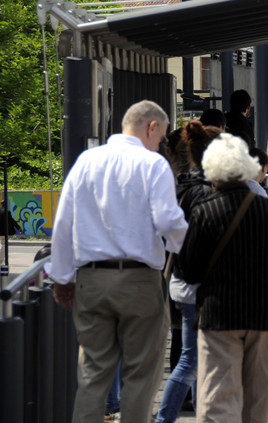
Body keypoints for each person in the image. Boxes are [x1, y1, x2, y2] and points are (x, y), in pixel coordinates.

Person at [47, 100, 188, 423]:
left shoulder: (87, 161)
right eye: (162, 136)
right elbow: (168, 221)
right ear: (151, 127)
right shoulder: (153, 165)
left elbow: (65, 222)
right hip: (139, 282)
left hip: (91, 280)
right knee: (141, 374)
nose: (161, 144)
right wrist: (185, 245)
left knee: (93, 373)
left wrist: (63, 277)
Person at [176, 133, 268, 422]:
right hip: (265, 314)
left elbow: (188, 270)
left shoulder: (204, 211)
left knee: (217, 395)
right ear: (246, 167)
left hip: (220, 314)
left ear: (212, 171)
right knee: (258, 397)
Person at [155, 121, 220, 423]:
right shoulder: (206, 191)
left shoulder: (175, 185)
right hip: (198, 279)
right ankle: (178, 411)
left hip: (174, 273)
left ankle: (184, 406)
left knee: (184, 349)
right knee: (193, 357)